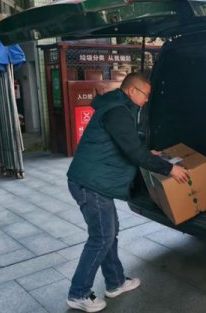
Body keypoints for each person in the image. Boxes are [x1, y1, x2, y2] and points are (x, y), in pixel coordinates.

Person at [66, 72, 189, 312]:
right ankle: (78, 293)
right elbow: (133, 152)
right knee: (102, 237)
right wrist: (169, 168)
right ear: (132, 91)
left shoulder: (119, 105)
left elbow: (126, 143)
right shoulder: (118, 111)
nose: (147, 100)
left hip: (96, 180)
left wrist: (146, 153)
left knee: (109, 233)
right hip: (91, 183)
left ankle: (115, 282)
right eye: (145, 94)